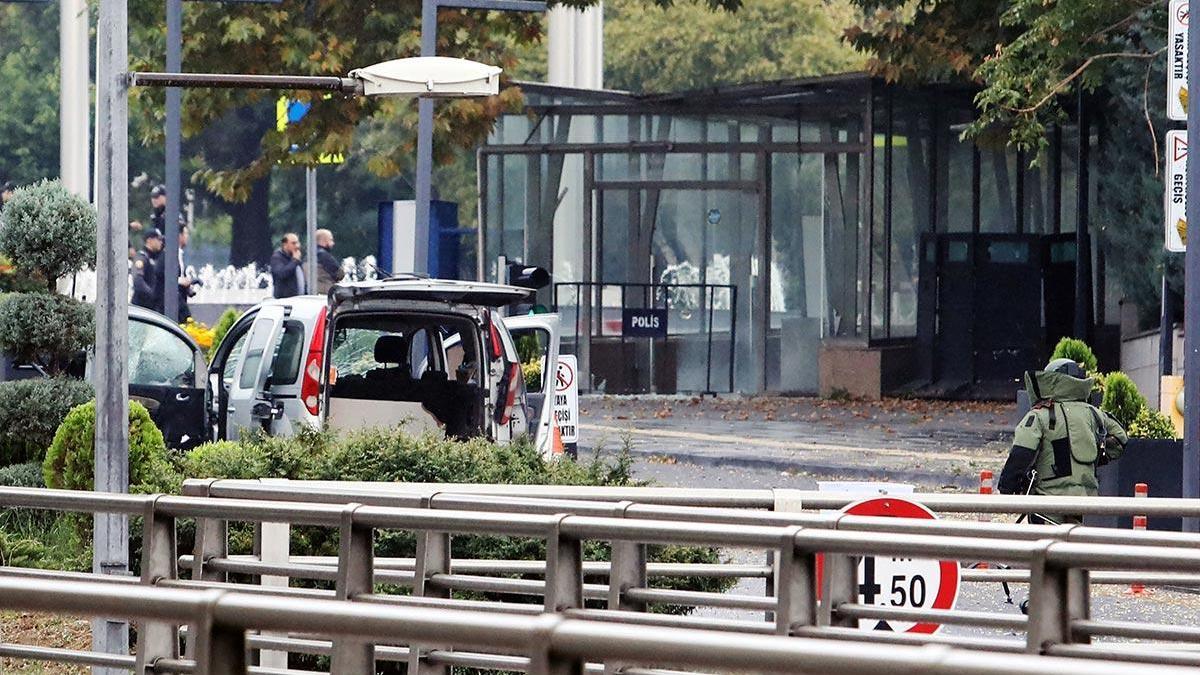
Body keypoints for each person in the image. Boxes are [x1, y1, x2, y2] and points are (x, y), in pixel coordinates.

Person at [998, 358, 1129, 524]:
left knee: (1044, 547)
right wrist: (1092, 454)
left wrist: (1007, 487)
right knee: (1074, 546)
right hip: (1084, 503)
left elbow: (1021, 453)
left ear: (1051, 381)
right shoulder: (1094, 414)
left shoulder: (1040, 415)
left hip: (1048, 504)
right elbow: (1120, 438)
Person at [131, 228, 165, 313]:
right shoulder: (142, 257)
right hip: (142, 308)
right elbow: (138, 281)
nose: (161, 242)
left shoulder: (156, 258)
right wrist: (152, 295)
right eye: (158, 239)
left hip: (152, 308)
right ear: (149, 240)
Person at [270, 233, 305, 298]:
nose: (297, 246)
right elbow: (282, 274)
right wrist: (294, 261)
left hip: (298, 298)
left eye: (298, 243)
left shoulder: (295, 257)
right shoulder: (277, 258)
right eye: (293, 243)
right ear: (285, 245)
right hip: (284, 300)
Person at [176, 224, 197, 322]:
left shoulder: (180, 254)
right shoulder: (169, 254)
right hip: (175, 301)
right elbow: (163, 275)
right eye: (186, 234)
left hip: (180, 298)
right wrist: (181, 281)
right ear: (179, 236)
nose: (187, 237)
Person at [315, 228, 345, 295]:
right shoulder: (324, 256)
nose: (333, 243)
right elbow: (340, 274)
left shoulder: (307, 256)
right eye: (331, 240)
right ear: (323, 241)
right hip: (325, 293)